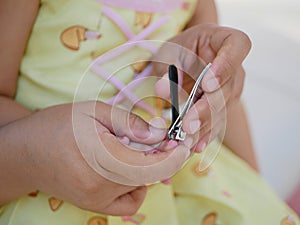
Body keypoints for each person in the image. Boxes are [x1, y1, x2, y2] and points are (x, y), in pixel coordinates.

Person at [0, 0, 298, 224]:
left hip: (173, 187)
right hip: (45, 181)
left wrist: (255, 188)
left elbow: (215, 97)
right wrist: (35, 154)